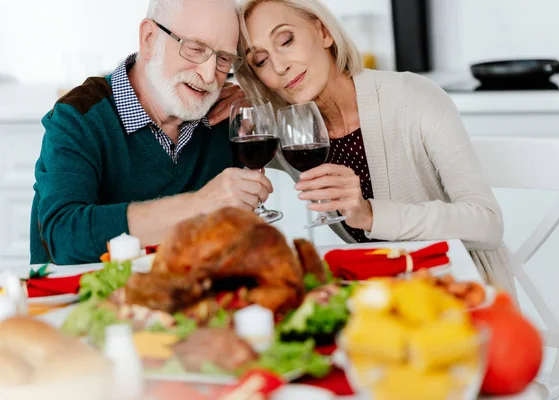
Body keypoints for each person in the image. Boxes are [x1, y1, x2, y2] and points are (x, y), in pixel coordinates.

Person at [235, 0, 515, 291]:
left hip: (463, 289)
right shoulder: (288, 135)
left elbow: (488, 223)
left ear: (323, 32)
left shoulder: (414, 97)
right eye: (261, 61)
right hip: (381, 297)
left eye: (286, 40)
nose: (280, 66)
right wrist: (226, 95)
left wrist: (369, 214)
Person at [30, 0, 273, 265]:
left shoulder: (226, 117)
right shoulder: (80, 116)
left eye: (223, 58)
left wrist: (257, 100)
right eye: (194, 49)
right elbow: (62, 236)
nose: (208, 75)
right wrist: (199, 205)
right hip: (83, 300)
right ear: (148, 38)